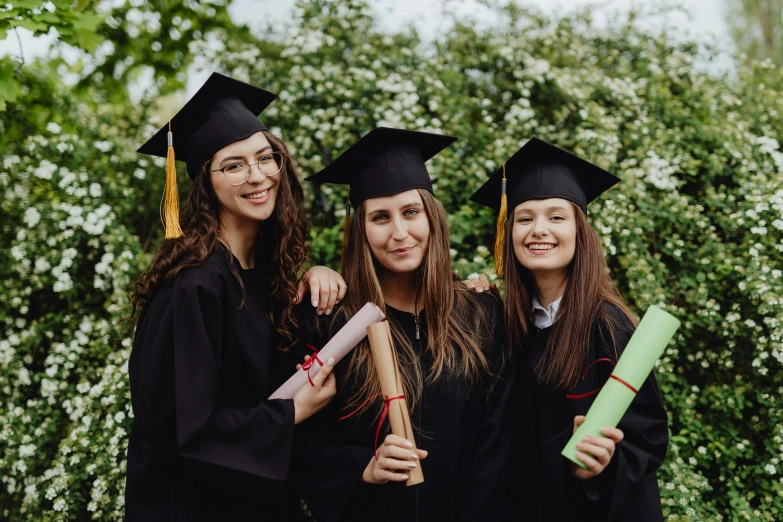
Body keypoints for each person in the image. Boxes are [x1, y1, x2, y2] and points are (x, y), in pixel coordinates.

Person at [126, 73, 344, 521]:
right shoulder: (194, 287)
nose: (258, 175)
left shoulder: (265, 274)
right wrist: (289, 413)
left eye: (266, 158)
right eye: (234, 165)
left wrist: (318, 275)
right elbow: (181, 432)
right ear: (206, 181)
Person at [293, 127, 513, 522]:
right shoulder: (331, 323)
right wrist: (362, 467)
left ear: (432, 218)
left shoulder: (480, 315)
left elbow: (497, 440)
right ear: (360, 229)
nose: (399, 233)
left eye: (411, 212)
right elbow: (305, 439)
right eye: (380, 217)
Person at [471, 137, 669, 521]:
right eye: (525, 218)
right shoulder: (507, 325)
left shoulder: (610, 327)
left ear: (580, 232)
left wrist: (599, 467)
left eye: (556, 217)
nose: (538, 230)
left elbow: (646, 437)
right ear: (508, 233)